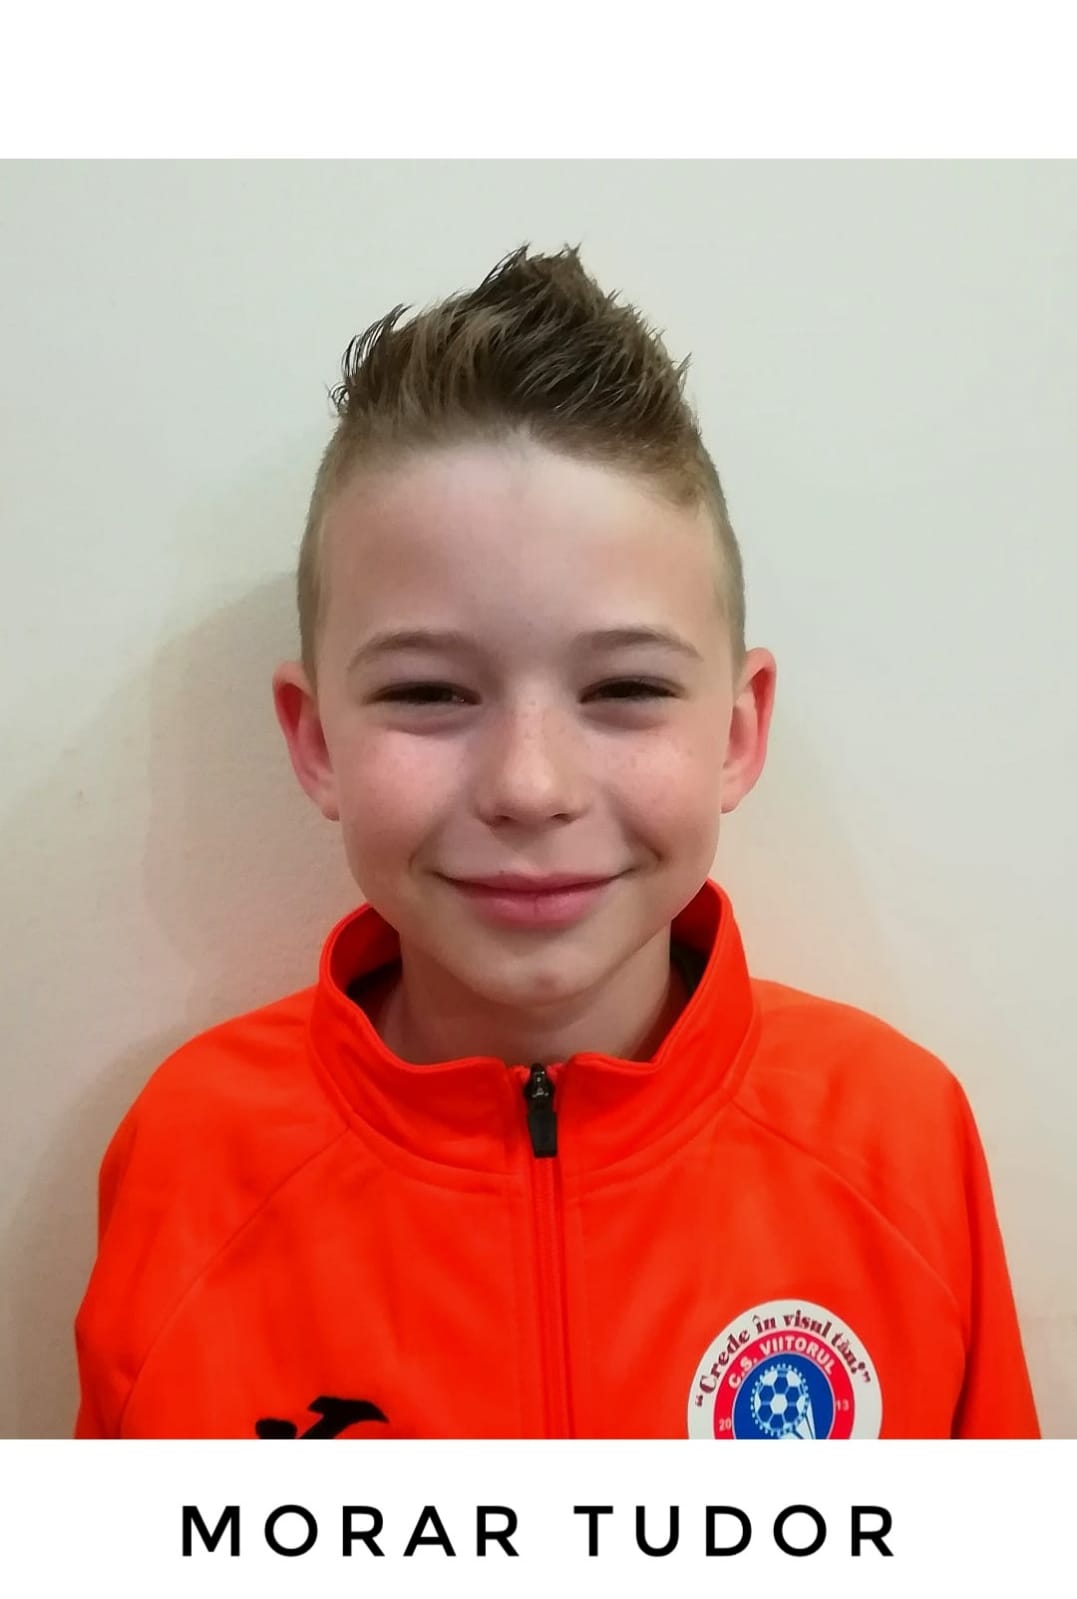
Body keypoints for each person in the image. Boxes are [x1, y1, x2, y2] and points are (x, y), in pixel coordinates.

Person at [73, 243, 1039, 1440]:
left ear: (738, 734)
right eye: (429, 693)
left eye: (626, 688)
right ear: (315, 740)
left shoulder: (899, 1141)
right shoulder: (187, 1160)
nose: (530, 788)